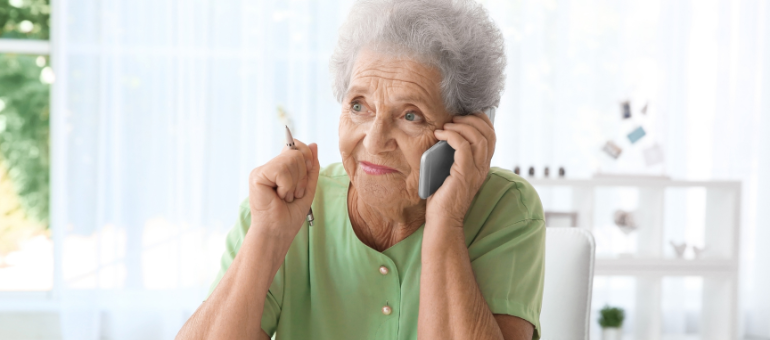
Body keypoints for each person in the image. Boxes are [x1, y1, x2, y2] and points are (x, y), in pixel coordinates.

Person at [176, 0, 545, 339]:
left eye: (410, 115)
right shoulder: (285, 204)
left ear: (464, 132)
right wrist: (268, 237)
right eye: (358, 106)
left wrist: (445, 222)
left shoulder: (505, 208)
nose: (373, 140)